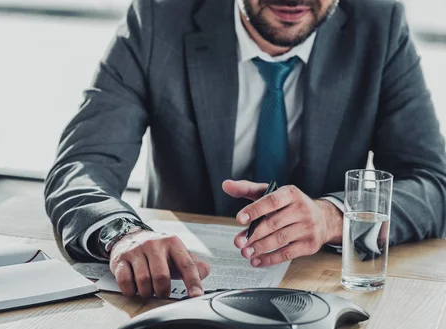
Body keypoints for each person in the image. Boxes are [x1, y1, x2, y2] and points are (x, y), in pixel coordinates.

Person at [45, 0, 446, 299]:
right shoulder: (158, 15)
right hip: (175, 289)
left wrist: (332, 217)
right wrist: (122, 233)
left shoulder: (379, 23)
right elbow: (82, 162)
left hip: (319, 289)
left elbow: (432, 183)